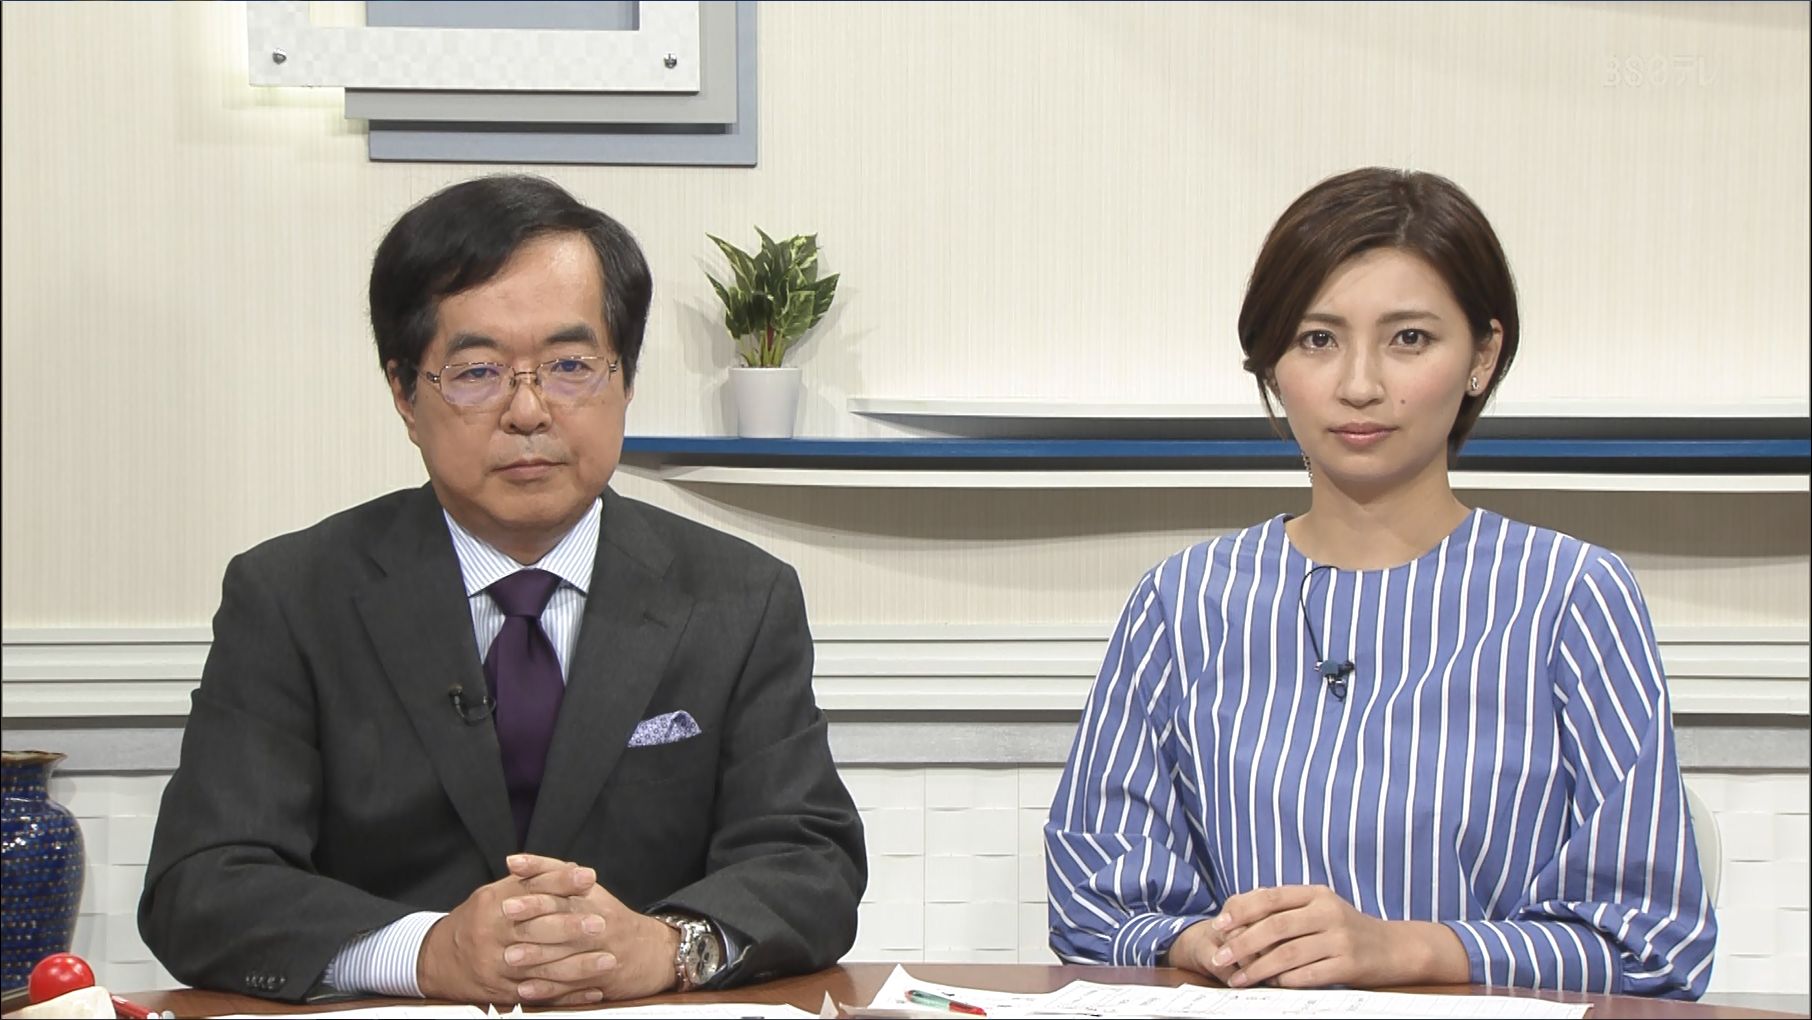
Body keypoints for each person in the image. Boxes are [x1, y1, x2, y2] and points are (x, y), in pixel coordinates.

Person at [139, 175, 867, 1006]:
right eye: (478, 370)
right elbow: (203, 884)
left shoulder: (740, 597)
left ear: (625, 379)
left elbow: (810, 863)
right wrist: (423, 953)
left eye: (570, 366)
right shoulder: (292, 598)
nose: (528, 411)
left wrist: (666, 946)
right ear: (404, 393)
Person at [1044, 168, 1716, 999]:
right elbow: (1093, 903)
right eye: (1317, 340)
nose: (1359, 385)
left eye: (1409, 339)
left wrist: (1409, 951)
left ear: (1483, 356)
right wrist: (1194, 942)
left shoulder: (1573, 597)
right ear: (1272, 365)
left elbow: (1652, 941)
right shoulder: (1183, 602)